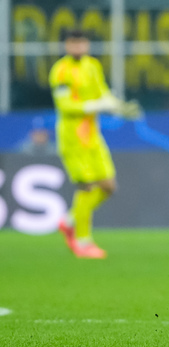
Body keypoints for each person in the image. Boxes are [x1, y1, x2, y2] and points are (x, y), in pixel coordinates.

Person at [49, 29, 141, 259]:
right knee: (86, 187)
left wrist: (118, 107)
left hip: (92, 136)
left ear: (87, 45)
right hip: (72, 138)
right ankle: (83, 241)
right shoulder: (61, 71)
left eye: (82, 43)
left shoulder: (92, 66)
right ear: (67, 46)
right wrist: (95, 106)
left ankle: (69, 220)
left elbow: (103, 94)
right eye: (73, 43)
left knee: (108, 187)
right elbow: (65, 106)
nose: (78, 47)